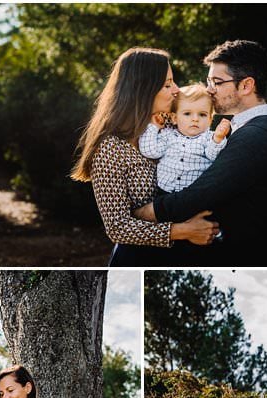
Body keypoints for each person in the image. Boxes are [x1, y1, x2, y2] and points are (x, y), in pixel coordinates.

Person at [131, 40, 267, 266]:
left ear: (246, 86)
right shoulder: (247, 129)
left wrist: (139, 214)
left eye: (217, 82)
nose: (209, 90)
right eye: (208, 81)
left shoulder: (258, 136)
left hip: (243, 260)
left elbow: (198, 194)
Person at [70, 47, 218, 266]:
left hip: (192, 254)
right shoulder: (110, 148)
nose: (176, 90)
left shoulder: (173, 123)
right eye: (168, 84)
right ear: (144, 89)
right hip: (140, 259)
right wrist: (182, 231)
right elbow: (118, 227)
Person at [138, 83, 230, 194]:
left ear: (210, 120)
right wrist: (153, 127)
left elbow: (214, 156)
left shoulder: (209, 138)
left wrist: (218, 138)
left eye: (202, 114)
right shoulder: (168, 135)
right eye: (187, 113)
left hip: (193, 195)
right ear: (175, 118)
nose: (195, 119)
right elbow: (151, 151)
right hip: (164, 190)